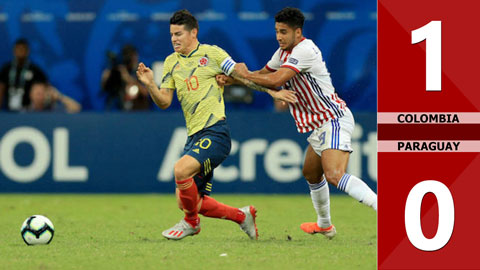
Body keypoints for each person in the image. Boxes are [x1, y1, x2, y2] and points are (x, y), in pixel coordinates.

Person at [136, 10, 296, 241]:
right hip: (194, 137)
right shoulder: (171, 63)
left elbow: (243, 76)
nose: (174, 39)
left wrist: (272, 91)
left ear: (194, 32)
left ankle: (191, 223)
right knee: (186, 200)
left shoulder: (212, 54)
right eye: (171, 34)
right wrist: (150, 84)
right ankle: (242, 217)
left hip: (215, 132)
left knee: (181, 171)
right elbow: (164, 102)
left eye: (179, 34)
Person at [231, 7, 377, 239]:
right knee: (311, 173)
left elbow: (276, 80)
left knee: (335, 175)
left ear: (298, 32)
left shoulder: (305, 50)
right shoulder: (282, 53)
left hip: (334, 118)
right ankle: (325, 225)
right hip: (319, 124)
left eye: (284, 32)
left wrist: (244, 75)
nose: (279, 37)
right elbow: (262, 75)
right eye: (277, 31)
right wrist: (231, 79)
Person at [0, 38, 48, 111]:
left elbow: (43, 91)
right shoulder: (6, 69)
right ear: (14, 51)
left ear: (28, 51)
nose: (21, 51)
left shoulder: (35, 70)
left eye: (23, 49)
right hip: (8, 111)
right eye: (18, 49)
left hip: (29, 112)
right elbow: (1, 89)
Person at [101, 45, 150, 111]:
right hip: (121, 113)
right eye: (128, 57)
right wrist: (106, 79)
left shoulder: (142, 70)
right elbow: (105, 90)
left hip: (140, 112)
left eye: (133, 56)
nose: (133, 59)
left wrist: (128, 78)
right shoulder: (119, 71)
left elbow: (146, 92)